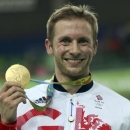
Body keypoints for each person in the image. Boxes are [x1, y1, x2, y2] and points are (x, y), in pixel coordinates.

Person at [0, 4, 130, 130]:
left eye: (83, 41)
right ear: (49, 47)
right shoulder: (19, 105)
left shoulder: (124, 110)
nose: (74, 50)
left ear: (95, 47)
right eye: (65, 41)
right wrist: (5, 124)